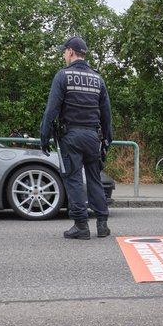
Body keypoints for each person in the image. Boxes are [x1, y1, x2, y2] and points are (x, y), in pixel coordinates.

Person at [40, 36, 113, 240]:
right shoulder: (98, 79)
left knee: (73, 179)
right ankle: (102, 224)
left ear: (71, 52)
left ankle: (81, 225)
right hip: (93, 137)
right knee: (94, 178)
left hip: (71, 136)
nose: (63, 55)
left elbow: (51, 110)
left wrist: (44, 137)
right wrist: (107, 139)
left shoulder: (63, 76)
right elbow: (107, 113)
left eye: (64, 51)